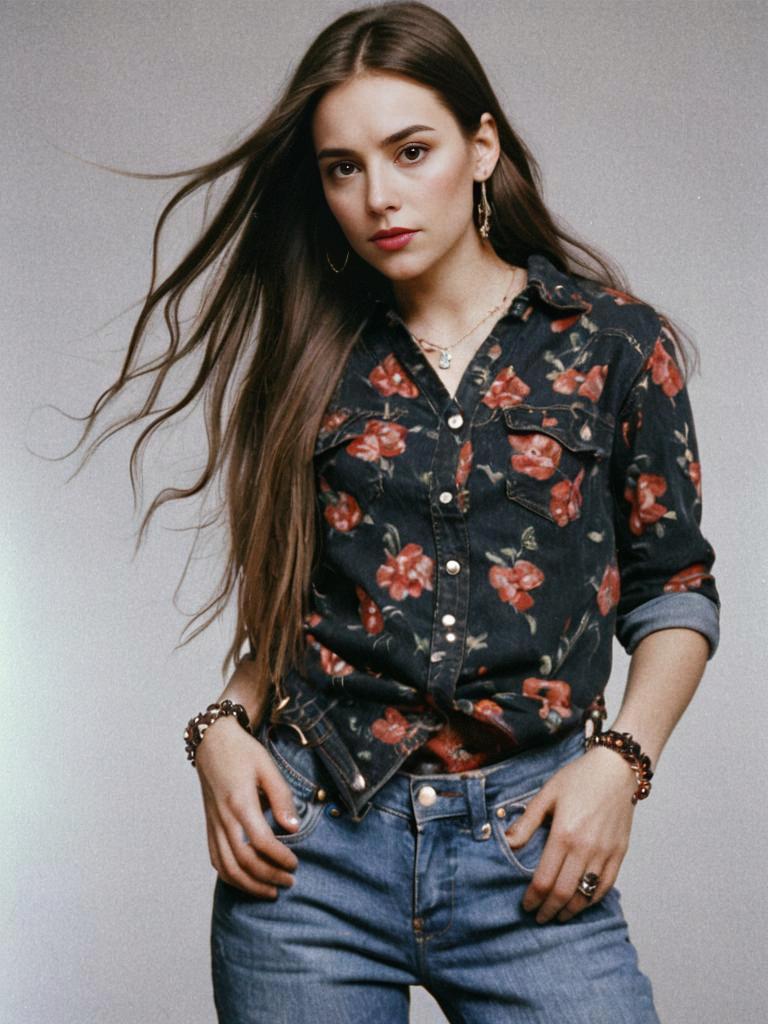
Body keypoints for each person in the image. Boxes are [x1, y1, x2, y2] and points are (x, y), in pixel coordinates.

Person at [82, 3, 720, 1021]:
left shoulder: (614, 343)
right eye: (343, 168)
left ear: (481, 147)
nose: (378, 195)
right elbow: (291, 602)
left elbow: (676, 589)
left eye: (410, 151)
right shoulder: (311, 355)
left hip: (529, 847)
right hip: (313, 858)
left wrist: (622, 763)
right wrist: (221, 728)